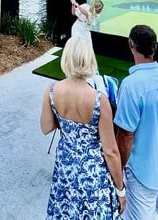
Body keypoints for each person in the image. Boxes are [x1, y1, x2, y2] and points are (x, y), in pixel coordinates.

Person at [40, 37, 125, 219]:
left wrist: (64, 118)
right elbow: (110, 151)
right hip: (92, 174)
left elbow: (46, 127)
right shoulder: (99, 100)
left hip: (65, 169)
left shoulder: (52, 90)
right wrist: (120, 189)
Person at [115, 25, 158, 220]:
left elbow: (126, 134)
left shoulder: (130, 85)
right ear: (154, 47)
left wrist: (118, 170)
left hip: (141, 172)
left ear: (131, 45)